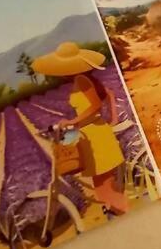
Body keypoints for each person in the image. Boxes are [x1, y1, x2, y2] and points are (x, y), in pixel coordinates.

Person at [32, 42, 129, 216]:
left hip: (96, 136)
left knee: (104, 183)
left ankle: (121, 213)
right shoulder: (85, 79)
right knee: (102, 182)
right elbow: (109, 95)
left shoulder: (81, 80)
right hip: (91, 133)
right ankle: (115, 212)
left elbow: (96, 105)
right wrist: (112, 119)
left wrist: (72, 121)